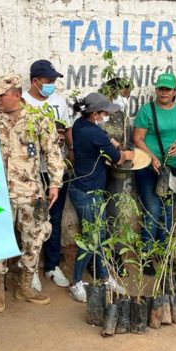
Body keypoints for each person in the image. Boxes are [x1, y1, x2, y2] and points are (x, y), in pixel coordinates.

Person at [0, 74, 64, 312]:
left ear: (16, 94)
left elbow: (52, 151)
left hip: (30, 191)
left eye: (2, 94)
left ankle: (25, 285)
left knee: (34, 238)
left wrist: (55, 183)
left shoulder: (38, 119)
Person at [67, 93, 134, 302]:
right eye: (104, 112)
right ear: (95, 114)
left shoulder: (80, 125)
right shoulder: (94, 134)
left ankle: (104, 277)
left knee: (101, 234)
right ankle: (76, 282)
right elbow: (117, 158)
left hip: (85, 188)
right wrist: (126, 154)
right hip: (87, 192)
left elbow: (100, 139)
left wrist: (109, 141)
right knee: (91, 238)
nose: (107, 115)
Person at [132, 73, 176, 275]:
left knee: (168, 212)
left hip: (174, 169)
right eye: (161, 89)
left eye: (168, 89)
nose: (164, 92)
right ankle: (146, 255)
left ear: (175, 91)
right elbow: (138, 139)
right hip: (149, 169)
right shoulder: (147, 111)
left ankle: (164, 252)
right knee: (152, 210)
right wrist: (151, 158)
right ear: (156, 90)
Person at [22, 59, 73, 290]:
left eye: (54, 81)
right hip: (30, 172)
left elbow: (67, 128)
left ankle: (52, 266)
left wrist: (69, 152)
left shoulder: (59, 102)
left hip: (54, 171)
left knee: (55, 218)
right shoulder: (22, 102)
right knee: (30, 221)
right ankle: (29, 270)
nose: (52, 85)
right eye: (48, 81)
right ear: (35, 81)